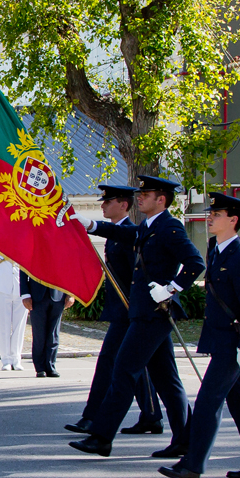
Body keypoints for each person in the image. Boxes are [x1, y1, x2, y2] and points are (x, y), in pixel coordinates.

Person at [68, 175, 205, 458]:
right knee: (167, 381)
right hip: (144, 313)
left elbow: (195, 263)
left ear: (162, 200)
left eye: (147, 194)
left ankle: (102, 436)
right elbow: (125, 234)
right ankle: (185, 439)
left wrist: (171, 288)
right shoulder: (148, 226)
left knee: (123, 371)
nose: (140, 197)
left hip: (152, 314)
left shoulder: (170, 227)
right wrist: (90, 224)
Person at [159, 192, 240, 478]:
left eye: (217, 214)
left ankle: (192, 465)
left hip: (234, 344)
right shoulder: (216, 248)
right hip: (221, 339)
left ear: (233, 220)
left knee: (208, 401)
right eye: (211, 213)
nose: (210, 217)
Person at [66, 185, 164, 436]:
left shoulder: (131, 233)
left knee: (109, 362)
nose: (102, 205)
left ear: (123, 205)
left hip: (131, 311)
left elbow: (138, 276)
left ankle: (92, 417)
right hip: (122, 311)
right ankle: (151, 416)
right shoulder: (115, 233)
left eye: (108, 202)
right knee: (136, 365)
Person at [20, 269, 74, 377]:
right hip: (36, 295)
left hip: (58, 294)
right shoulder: (33, 251)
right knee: (39, 334)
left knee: (53, 334)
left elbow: (69, 268)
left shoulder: (62, 251)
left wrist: (70, 293)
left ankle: (50, 366)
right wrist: (25, 294)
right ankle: (40, 368)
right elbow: (23, 268)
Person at [0, 256, 27, 371]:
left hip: (20, 285)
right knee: (4, 325)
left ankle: (16, 359)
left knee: (19, 326)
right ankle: (6, 360)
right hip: (2, 285)